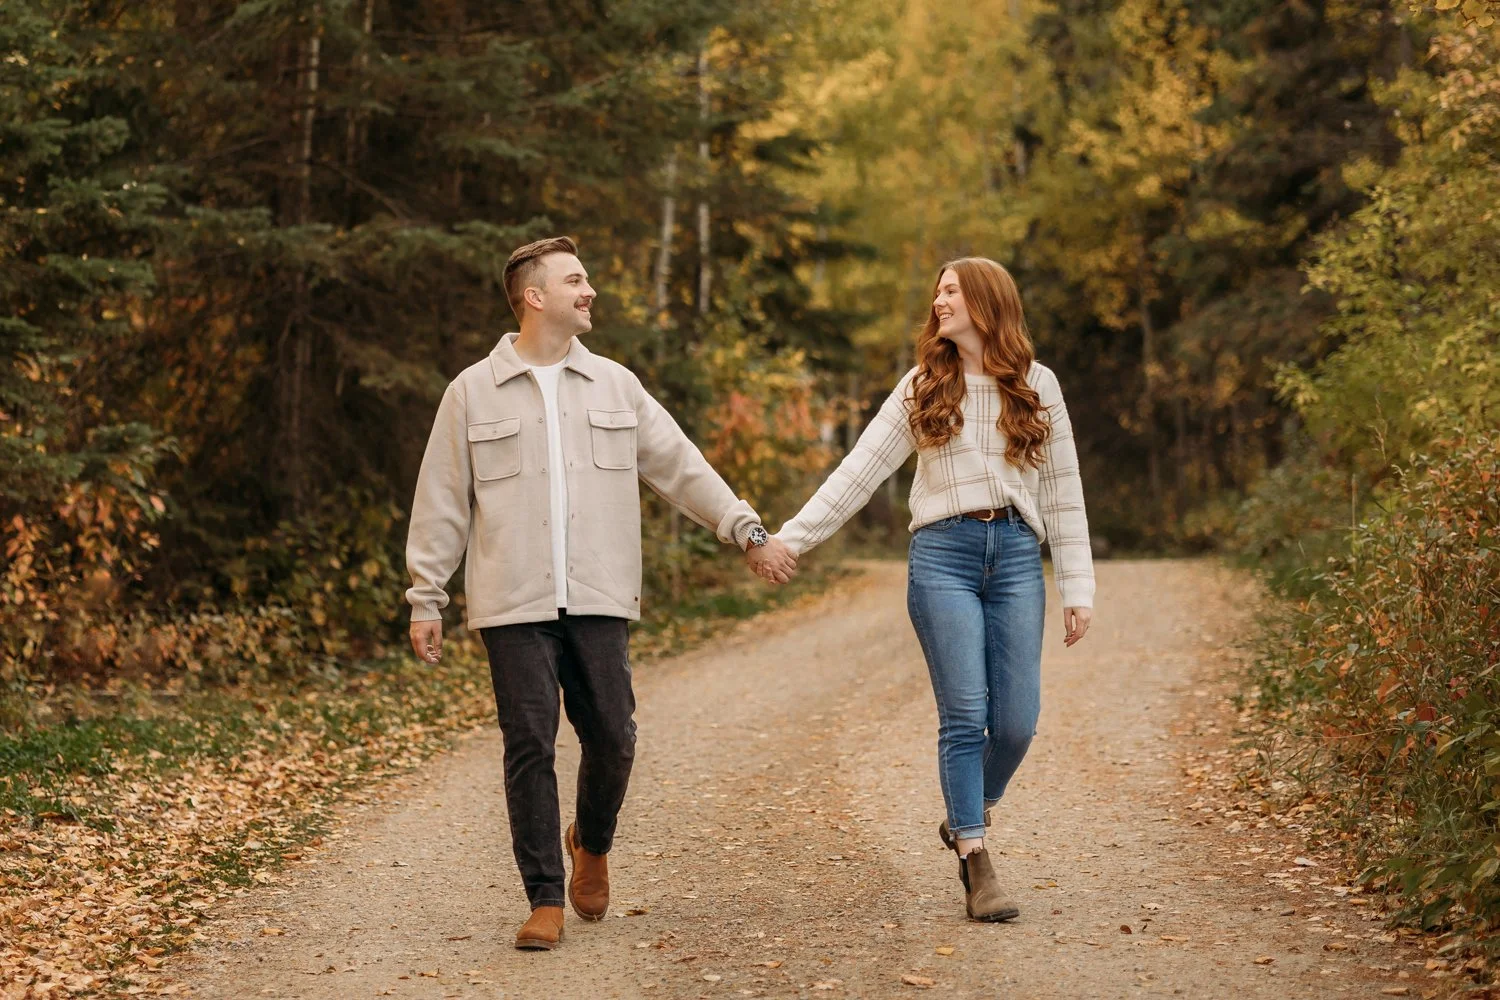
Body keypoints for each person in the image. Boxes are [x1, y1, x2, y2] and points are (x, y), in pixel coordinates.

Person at [404, 236, 798, 951]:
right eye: (576, 281)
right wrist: (425, 597)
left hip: (599, 595)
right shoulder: (471, 391)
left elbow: (681, 466)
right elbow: (442, 502)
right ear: (534, 296)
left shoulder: (617, 385)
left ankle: (591, 841)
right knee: (529, 742)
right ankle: (545, 899)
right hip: (512, 601)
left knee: (613, 737)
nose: (590, 293)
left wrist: (746, 531)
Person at [773, 256, 1095, 922]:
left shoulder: (1039, 386)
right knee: (964, 712)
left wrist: (1077, 585)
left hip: (1013, 556)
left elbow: (1063, 492)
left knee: (1015, 722)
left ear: (986, 300)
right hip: (941, 556)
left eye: (950, 290)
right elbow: (857, 474)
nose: (938, 300)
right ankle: (977, 861)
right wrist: (790, 539)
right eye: (938, 291)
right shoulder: (922, 385)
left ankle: (965, 811)